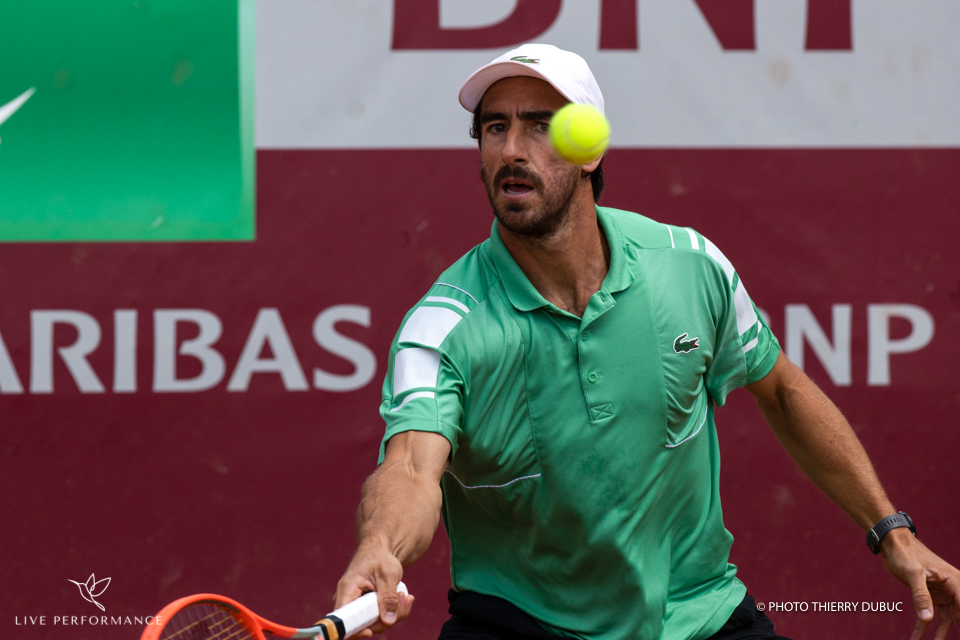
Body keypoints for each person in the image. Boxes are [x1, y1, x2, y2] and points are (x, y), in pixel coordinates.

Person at [334, 44, 960, 640]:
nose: (512, 150)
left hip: (700, 615)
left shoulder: (690, 265)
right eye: (495, 128)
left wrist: (892, 531)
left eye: (540, 126)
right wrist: (379, 547)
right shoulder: (443, 327)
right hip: (518, 624)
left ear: (588, 150)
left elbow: (783, 392)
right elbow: (411, 467)